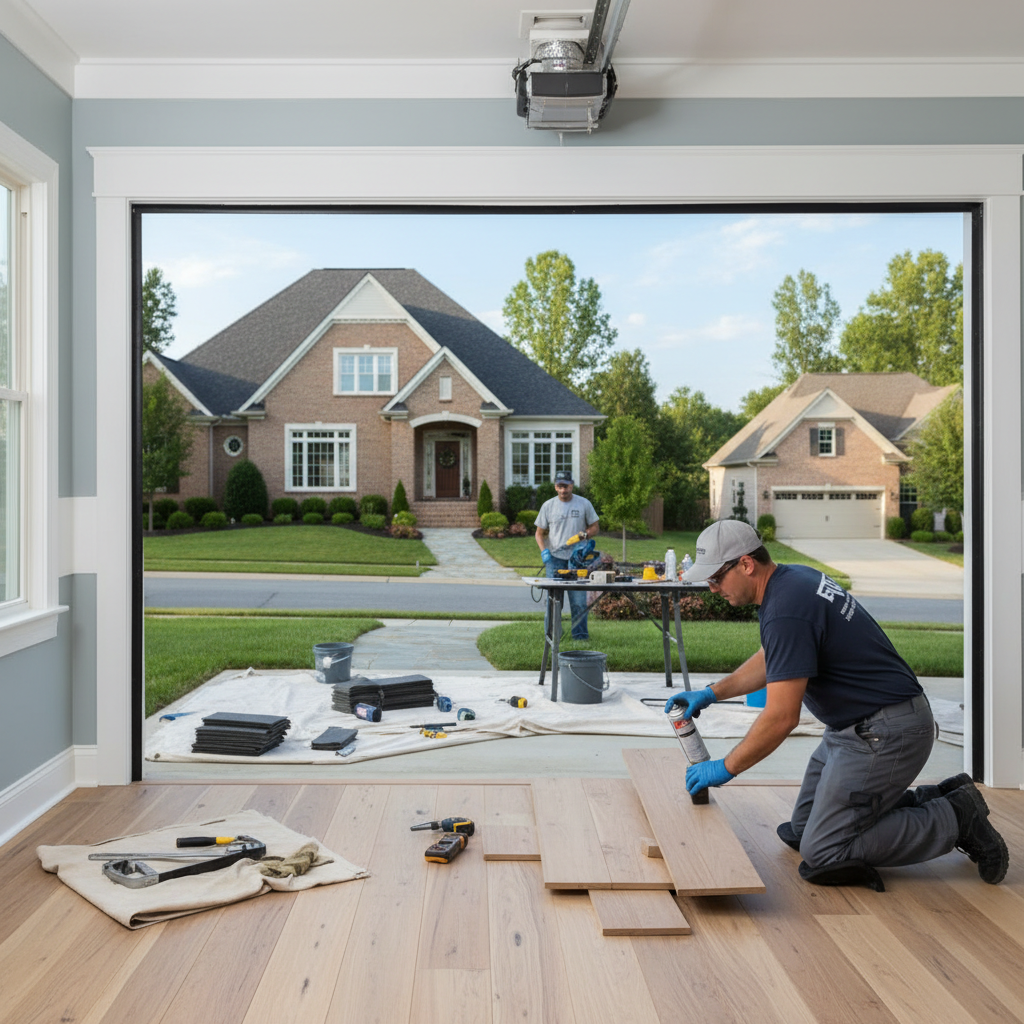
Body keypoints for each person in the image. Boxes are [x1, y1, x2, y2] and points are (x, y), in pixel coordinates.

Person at [665, 519, 1008, 890]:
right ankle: (939, 796)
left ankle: (957, 818)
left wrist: (726, 768)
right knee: (802, 828)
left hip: (886, 733)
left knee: (825, 849)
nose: (712, 588)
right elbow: (775, 658)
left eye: (716, 578)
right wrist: (712, 692)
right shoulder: (794, 580)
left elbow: (781, 717)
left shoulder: (786, 609)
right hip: (857, 729)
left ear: (746, 564)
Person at [535, 470, 600, 641]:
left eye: (567, 486)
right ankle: (552, 636)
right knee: (553, 602)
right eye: (560, 486)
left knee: (578, 602)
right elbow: (539, 533)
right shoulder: (548, 506)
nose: (563, 490)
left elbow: (595, 527)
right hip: (554, 560)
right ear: (555, 487)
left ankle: (580, 637)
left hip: (577, 560)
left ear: (572, 485)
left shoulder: (583, 504)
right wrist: (544, 551)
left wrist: (584, 535)